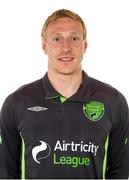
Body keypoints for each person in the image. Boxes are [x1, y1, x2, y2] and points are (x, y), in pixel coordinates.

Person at [0, 9, 129, 179]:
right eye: (57, 39)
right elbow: (6, 174)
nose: (66, 47)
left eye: (74, 38)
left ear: (85, 45)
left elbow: (120, 173)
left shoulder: (113, 102)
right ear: (44, 46)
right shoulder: (17, 103)